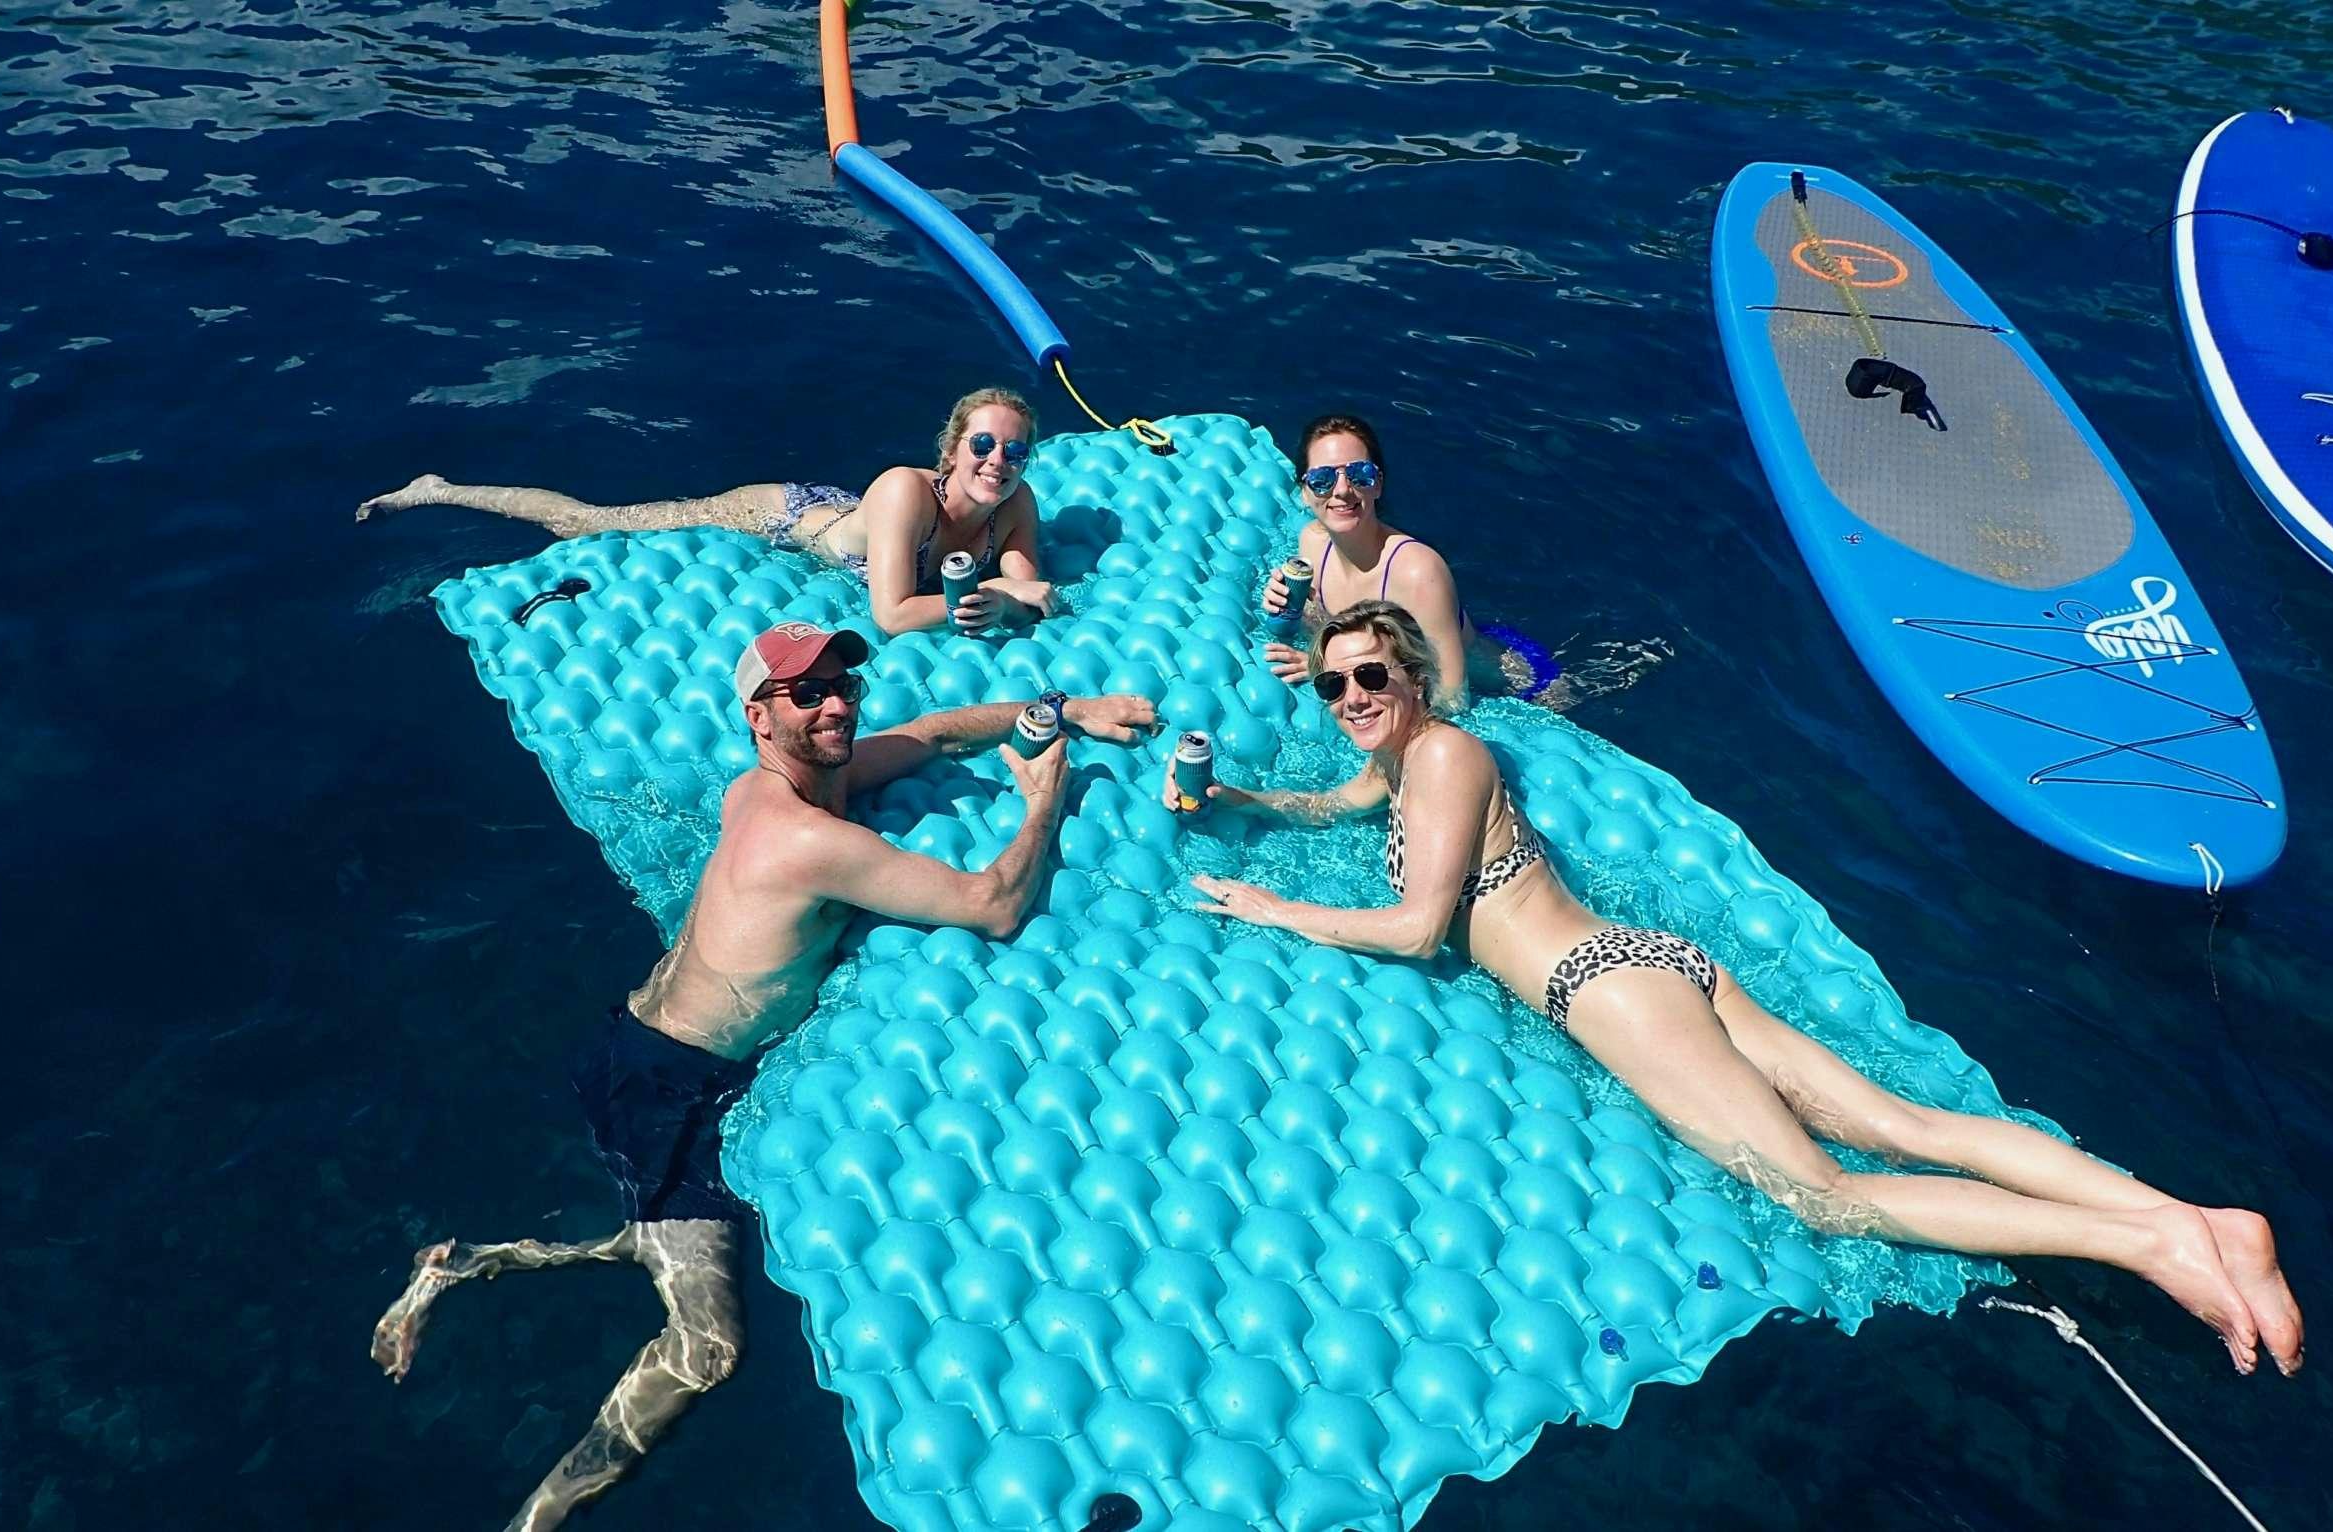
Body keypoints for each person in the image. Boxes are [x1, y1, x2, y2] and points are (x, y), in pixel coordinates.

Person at [1180, 601, 2305, 1377]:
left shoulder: (1444, 758)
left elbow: (1423, 925)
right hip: (1656, 965)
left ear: (1414, 675)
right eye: (1333, 682)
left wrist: (1279, 911)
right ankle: (2199, 1219)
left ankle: (2148, 1251)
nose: (1350, 695)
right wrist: (1235, 797)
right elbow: (1338, 803)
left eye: (1371, 675)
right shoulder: (1401, 761)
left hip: (1606, 989)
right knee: (1907, 1125)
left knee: (1828, 1194)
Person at [370, 620, 1154, 1530]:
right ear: (759, 715)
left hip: (637, 1044)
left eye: (844, 687)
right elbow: (994, 906)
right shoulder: (801, 835)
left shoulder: (781, 784)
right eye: (807, 693)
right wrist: (1043, 800)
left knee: (654, 1236)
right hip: (673, 1095)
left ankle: (469, 1262)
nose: (835, 705)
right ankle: (536, 1519)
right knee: (708, 1349)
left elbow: (935, 732)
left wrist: (1067, 710)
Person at [357, 388, 1059, 637]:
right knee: (592, 523)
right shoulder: (909, 491)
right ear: (953, 449)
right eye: (984, 443)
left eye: (1015, 451)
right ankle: (438, 487)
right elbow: (892, 614)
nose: (999, 460)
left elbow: (1029, 585)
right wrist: (997, 596)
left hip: (842, 517)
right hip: (782, 517)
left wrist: (1017, 593)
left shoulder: (1014, 502)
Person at [1260, 412, 1514, 712]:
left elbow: (1452, 698)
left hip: (1507, 675)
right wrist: (1285, 604)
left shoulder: (1418, 572)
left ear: (1378, 484)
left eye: (1359, 474)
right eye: (1322, 479)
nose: (1341, 490)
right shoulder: (1312, 544)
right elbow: (1325, 627)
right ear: (1304, 492)